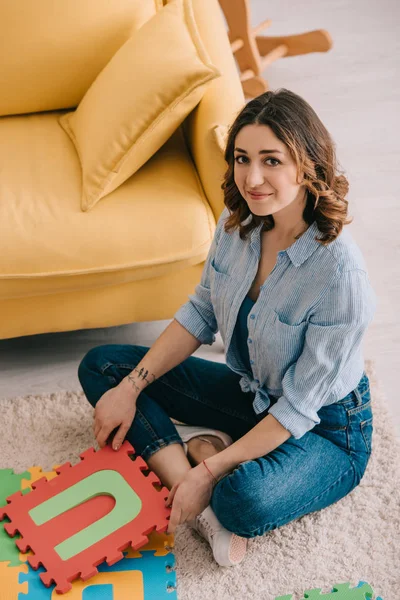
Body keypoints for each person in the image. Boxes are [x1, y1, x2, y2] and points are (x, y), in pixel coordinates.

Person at [78, 88, 377, 568]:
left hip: (325, 430)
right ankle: (188, 473)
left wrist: (215, 470)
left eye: (271, 161)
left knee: (241, 500)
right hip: (255, 392)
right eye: (242, 158)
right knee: (105, 368)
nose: (252, 178)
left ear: (305, 165)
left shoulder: (340, 275)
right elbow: (200, 314)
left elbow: (299, 407)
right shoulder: (239, 221)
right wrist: (133, 387)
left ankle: (207, 459)